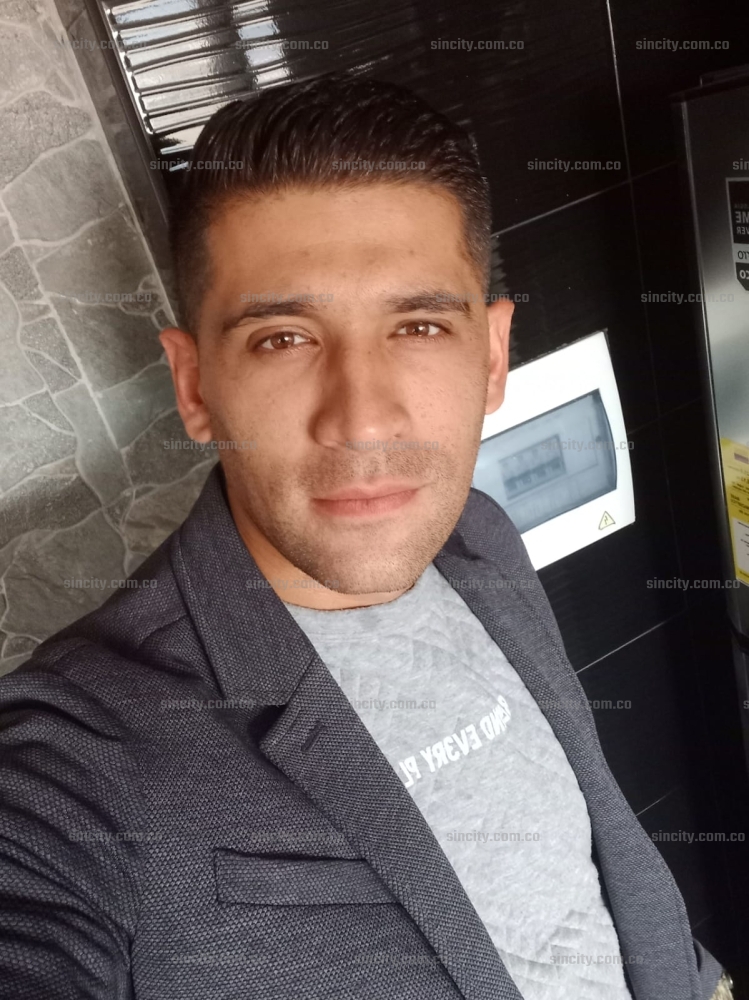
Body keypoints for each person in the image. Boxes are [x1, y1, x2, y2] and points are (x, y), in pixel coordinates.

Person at [0, 71, 734, 1000]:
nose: (363, 420)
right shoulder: (80, 755)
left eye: (418, 325)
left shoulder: (477, 534)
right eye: (283, 338)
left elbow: (584, 845)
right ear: (194, 386)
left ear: (492, 357)